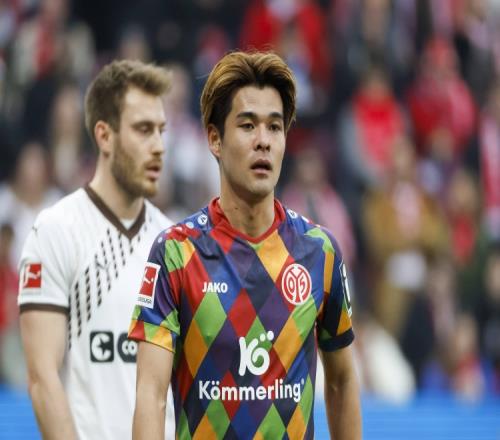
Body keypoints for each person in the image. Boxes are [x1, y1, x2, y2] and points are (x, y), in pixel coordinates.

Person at [129, 51, 361, 439]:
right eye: (248, 125)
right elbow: (150, 396)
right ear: (215, 139)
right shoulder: (176, 253)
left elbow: (342, 381)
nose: (263, 141)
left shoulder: (319, 252)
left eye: (275, 127)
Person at [18, 60, 175, 440]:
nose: (158, 146)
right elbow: (42, 378)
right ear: (104, 136)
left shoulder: (174, 242)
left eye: (161, 131)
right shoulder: (56, 231)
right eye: (143, 130)